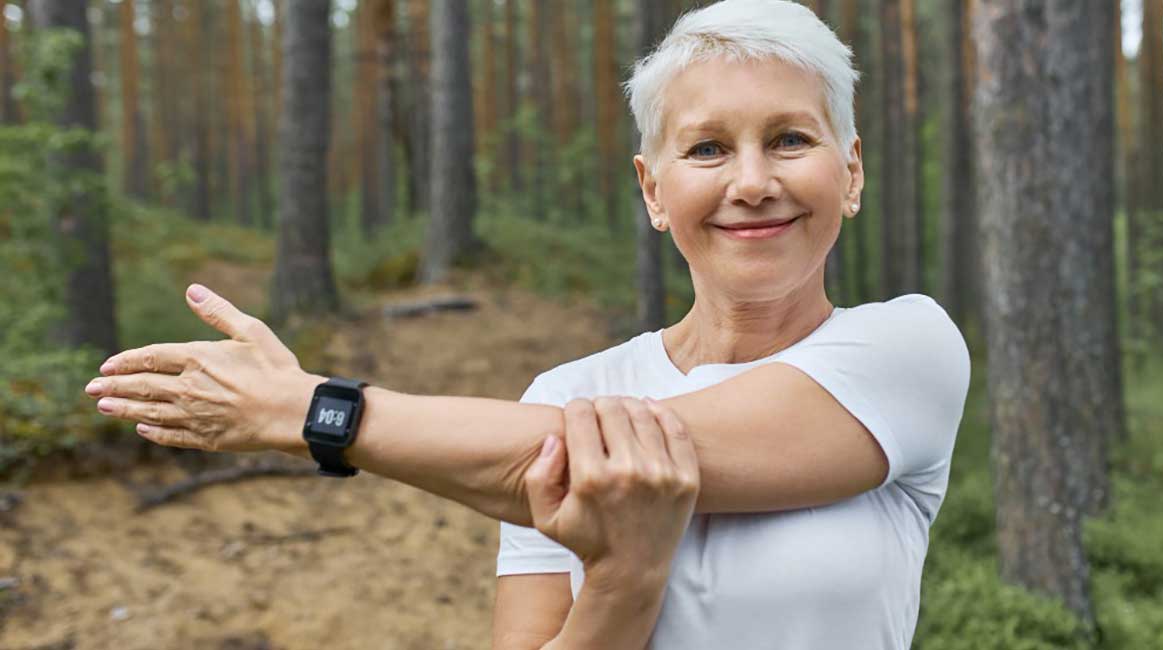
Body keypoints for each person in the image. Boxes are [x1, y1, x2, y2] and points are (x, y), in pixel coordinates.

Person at [83, 0, 970, 647]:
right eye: (707, 148)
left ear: (851, 172)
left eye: (790, 139)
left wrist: (312, 412)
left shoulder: (909, 350)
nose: (751, 182)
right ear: (654, 191)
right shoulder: (568, 391)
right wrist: (624, 580)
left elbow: (569, 458)